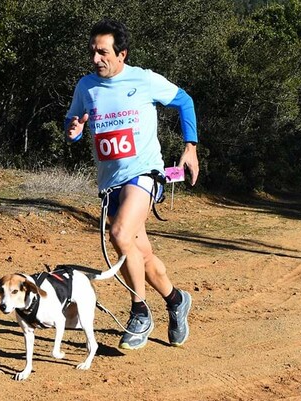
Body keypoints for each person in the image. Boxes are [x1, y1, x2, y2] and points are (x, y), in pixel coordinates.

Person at [64, 18, 200, 350]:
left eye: (103, 53)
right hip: (110, 182)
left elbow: (184, 101)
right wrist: (74, 129)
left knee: (120, 235)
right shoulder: (86, 86)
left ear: (122, 54)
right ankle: (175, 299)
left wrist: (190, 148)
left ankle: (139, 311)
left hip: (145, 174)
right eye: (93, 52)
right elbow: (73, 118)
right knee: (140, 253)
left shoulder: (145, 80)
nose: (96, 59)